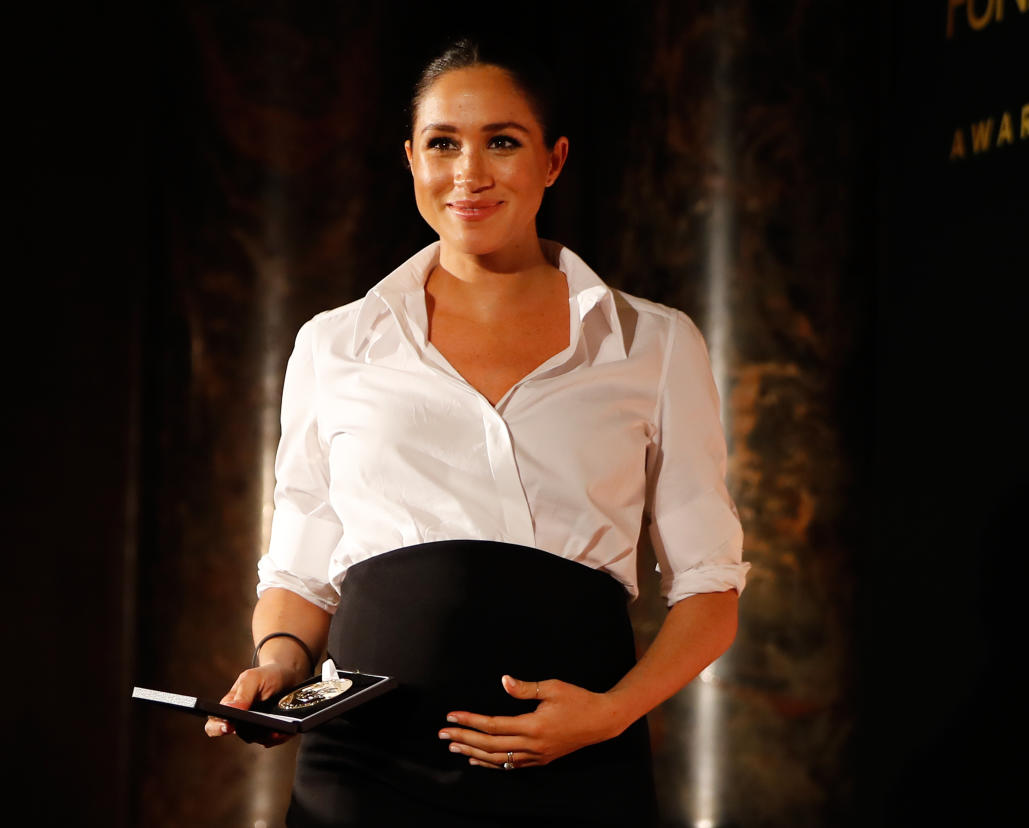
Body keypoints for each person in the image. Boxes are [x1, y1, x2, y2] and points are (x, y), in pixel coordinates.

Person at [205, 37, 748, 827]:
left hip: (573, 756)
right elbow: (302, 568)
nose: (469, 172)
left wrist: (610, 714)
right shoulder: (335, 342)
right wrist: (278, 666)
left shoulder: (653, 343)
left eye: (502, 141)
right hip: (366, 761)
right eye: (442, 144)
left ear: (553, 161)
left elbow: (710, 586)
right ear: (411, 160)